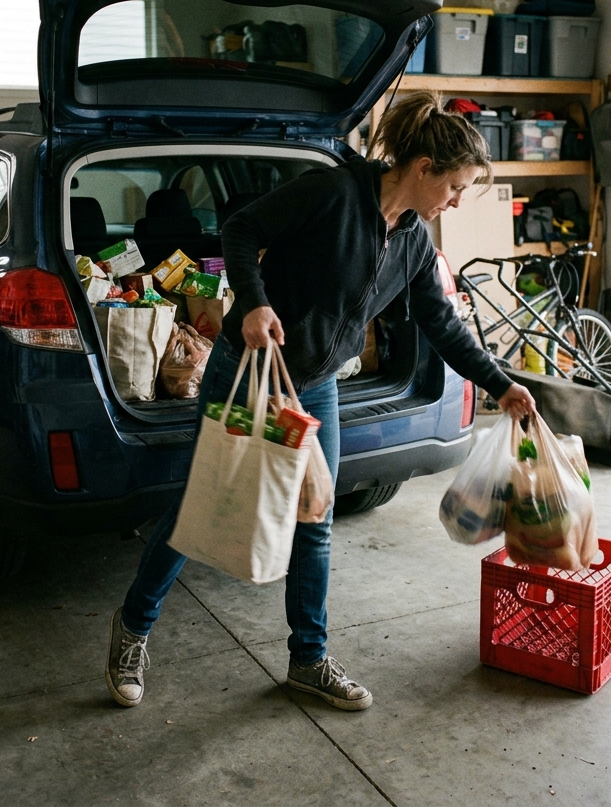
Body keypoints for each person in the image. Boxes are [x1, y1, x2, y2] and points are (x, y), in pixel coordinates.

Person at [106, 90, 537, 710]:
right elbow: (241, 228)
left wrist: (501, 383)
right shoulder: (333, 193)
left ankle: (308, 659)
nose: (457, 201)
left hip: (318, 385)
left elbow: (441, 323)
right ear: (423, 170)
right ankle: (132, 628)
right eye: (456, 187)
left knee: (316, 516)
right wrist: (253, 302)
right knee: (205, 506)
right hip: (249, 369)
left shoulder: (413, 240)